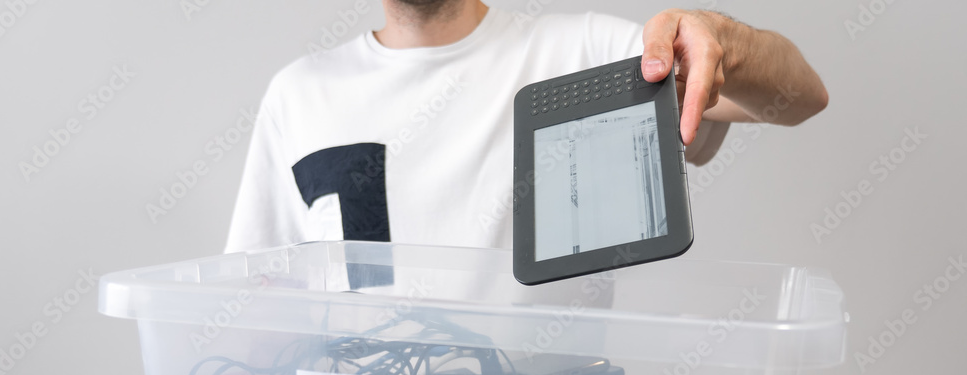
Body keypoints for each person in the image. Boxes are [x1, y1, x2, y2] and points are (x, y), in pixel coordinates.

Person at [224, 0, 827, 253]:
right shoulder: (299, 93)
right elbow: (252, 301)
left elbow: (801, 97)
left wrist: (723, 41)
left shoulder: (587, 52)